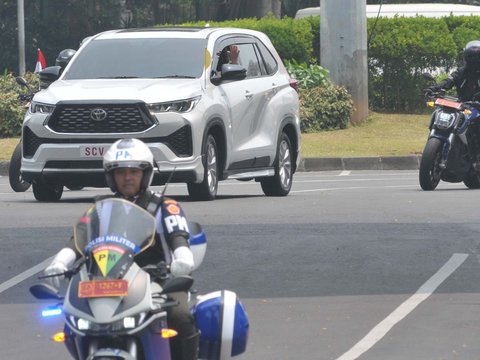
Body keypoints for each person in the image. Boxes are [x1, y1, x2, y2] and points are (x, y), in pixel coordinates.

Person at [43, 138, 199, 360]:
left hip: (159, 281)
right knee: (73, 316)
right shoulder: (100, 208)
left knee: (180, 315)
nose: (127, 177)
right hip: (108, 281)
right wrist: (59, 263)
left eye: (134, 171)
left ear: (145, 174)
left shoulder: (165, 206)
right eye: (121, 172)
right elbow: (78, 240)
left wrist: (182, 256)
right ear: (111, 176)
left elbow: (178, 235)